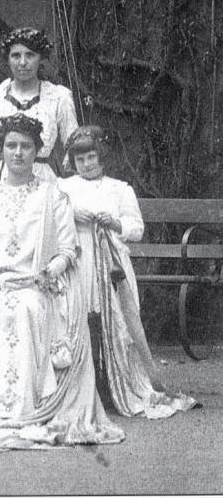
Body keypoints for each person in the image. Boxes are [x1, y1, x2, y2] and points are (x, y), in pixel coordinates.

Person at [0, 113, 123, 444]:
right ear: (0, 150)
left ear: (36, 151)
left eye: (26, 146)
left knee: (26, 310)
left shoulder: (53, 195)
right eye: (10, 146)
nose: (18, 153)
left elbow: (67, 249)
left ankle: (24, 405)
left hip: (39, 284)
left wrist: (48, 272)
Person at [58, 126, 197, 418]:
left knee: (119, 323)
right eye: (81, 159)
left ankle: (117, 380)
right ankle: (85, 385)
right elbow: (54, 219)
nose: (87, 164)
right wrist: (73, 214)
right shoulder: (64, 188)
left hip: (112, 263)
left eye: (92, 157)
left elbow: (137, 229)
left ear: (102, 157)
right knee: (82, 319)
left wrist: (115, 223)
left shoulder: (120, 188)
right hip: (79, 260)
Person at [0, 27, 79, 190]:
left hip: (43, 183)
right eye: (16, 56)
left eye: (30, 55)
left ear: (40, 58)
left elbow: (75, 149)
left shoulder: (59, 97)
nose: (22, 62)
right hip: (1, 183)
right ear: (8, 59)